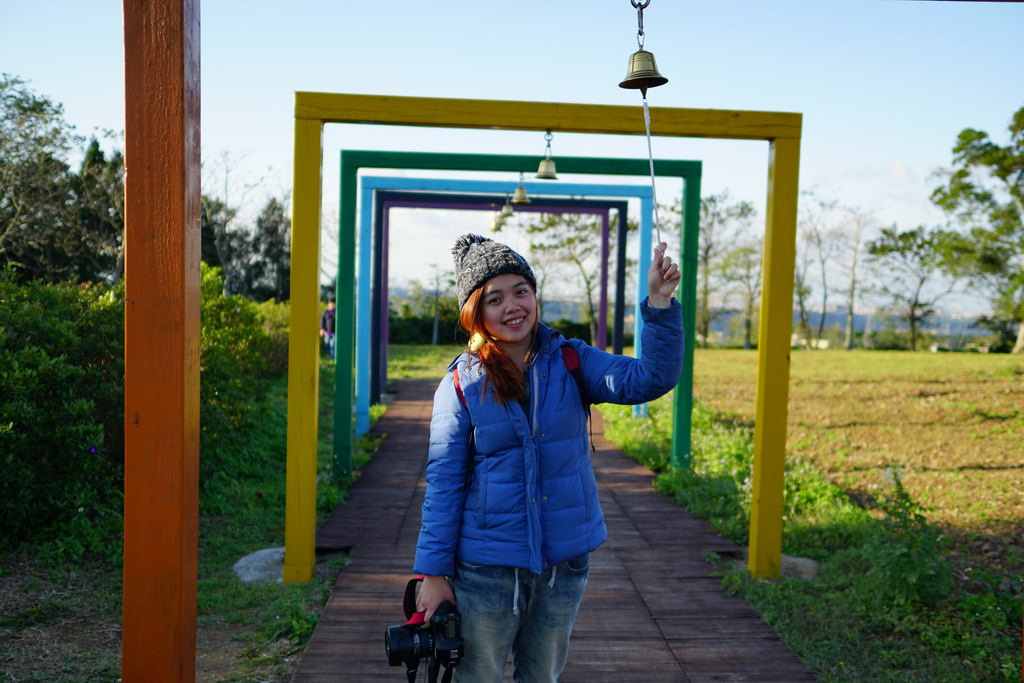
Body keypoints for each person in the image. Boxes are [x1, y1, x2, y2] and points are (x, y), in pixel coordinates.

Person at [413, 233, 684, 682]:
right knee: (476, 676)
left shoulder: (573, 360)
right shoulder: (460, 386)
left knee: (542, 677)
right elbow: (443, 484)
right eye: (495, 298)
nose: (513, 306)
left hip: (563, 565)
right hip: (485, 570)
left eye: (521, 290)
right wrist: (433, 573)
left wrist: (658, 303)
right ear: (475, 312)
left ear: (535, 294)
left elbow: (648, 378)